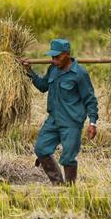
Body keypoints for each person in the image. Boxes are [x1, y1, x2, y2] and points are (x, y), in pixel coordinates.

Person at [19, 39, 99, 185]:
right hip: (53, 120)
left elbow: (90, 100)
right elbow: (43, 86)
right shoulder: (53, 69)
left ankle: (69, 190)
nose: (54, 60)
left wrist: (92, 123)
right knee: (41, 149)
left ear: (67, 54)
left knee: (68, 158)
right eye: (52, 57)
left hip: (71, 122)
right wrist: (29, 71)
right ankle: (57, 184)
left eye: (57, 57)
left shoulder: (79, 74)